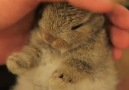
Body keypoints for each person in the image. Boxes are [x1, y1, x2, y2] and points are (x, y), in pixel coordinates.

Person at [0, 0, 129, 90]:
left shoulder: (96, 41)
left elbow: (88, 63)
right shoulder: (42, 32)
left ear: (98, 21)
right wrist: (25, 59)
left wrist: (68, 75)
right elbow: (36, 48)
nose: (48, 37)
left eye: (75, 27)